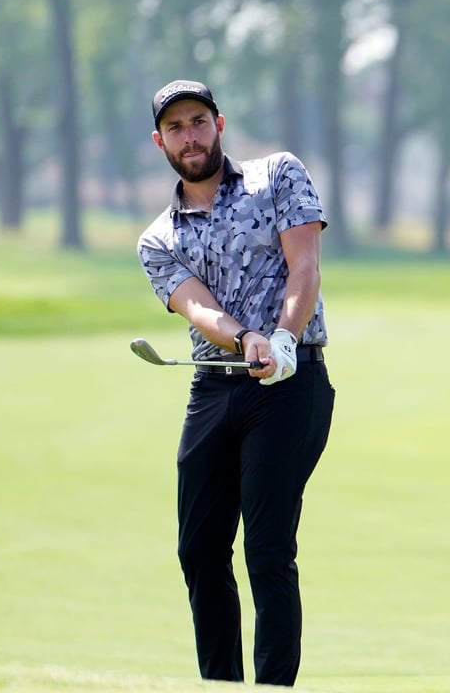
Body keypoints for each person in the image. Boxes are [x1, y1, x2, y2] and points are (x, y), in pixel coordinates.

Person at [137, 79, 336, 684]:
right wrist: (244, 339)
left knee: (267, 550)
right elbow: (196, 308)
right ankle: (220, 682)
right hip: (213, 387)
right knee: (198, 549)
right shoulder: (157, 239)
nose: (189, 135)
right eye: (176, 127)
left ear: (219, 125)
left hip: (290, 386)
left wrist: (281, 337)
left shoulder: (277, 175)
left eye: (199, 121)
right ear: (159, 140)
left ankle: (274, 684)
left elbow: (304, 264)